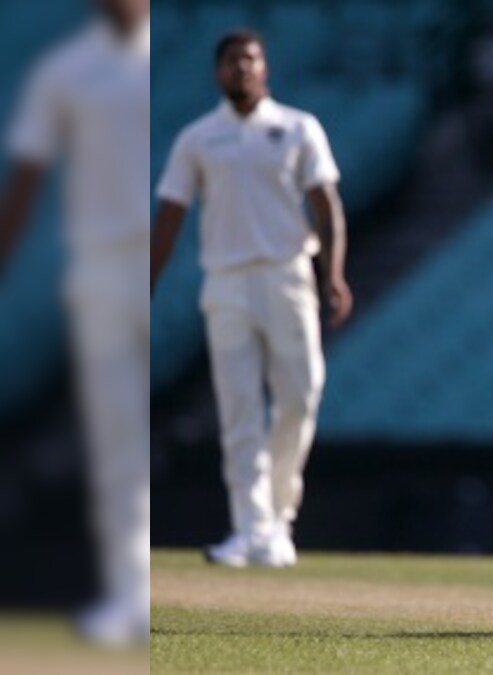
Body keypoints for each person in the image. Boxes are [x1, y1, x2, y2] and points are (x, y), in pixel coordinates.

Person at [151, 29, 352, 568]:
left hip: (288, 275)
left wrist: (332, 273)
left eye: (251, 59)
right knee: (239, 407)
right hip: (227, 281)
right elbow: (169, 214)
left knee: (301, 395)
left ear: (265, 69)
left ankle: (278, 521)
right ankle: (248, 528)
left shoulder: (296, 128)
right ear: (218, 72)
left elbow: (326, 203)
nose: (242, 68)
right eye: (233, 61)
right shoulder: (198, 138)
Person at [0, 0, 149, 644]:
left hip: (170, 260)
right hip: (102, 269)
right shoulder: (64, 69)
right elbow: (26, 179)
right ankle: (130, 595)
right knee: (118, 440)